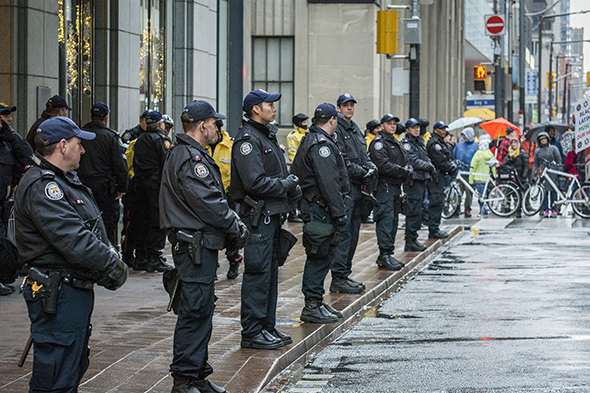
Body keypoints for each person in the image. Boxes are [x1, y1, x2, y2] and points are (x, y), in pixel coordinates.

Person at [15, 116, 128, 392]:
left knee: (69, 368)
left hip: (69, 292)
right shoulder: (45, 186)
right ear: (62, 146)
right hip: (58, 292)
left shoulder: (62, 181)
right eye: (79, 143)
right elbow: (74, 239)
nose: (83, 150)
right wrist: (112, 266)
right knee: (55, 377)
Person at [160, 100, 247, 393]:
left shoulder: (192, 154)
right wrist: (234, 225)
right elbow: (208, 203)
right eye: (214, 123)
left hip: (200, 245)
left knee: (201, 310)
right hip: (193, 246)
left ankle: (196, 376)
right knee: (195, 311)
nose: (217, 129)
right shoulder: (190, 158)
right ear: (202, 126)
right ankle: (184, 380)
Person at [230, 89, 300, 350]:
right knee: (258, 274)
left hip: (271, 216)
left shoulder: (264, 135)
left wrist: (290, 188)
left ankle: (266, 327)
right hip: (258, 217)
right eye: (269, 104)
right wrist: (285, 184)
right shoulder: (248, 140)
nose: (273, 107)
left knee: (269, 274)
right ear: (255, 109)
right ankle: (252, 331)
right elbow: (254, 182)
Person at [291, 103, 349, 324]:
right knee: (318, 254)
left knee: (323, 254)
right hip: (320, 208)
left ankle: (316, 299)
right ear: (332, 120)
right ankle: (312, 304)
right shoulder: (321, 144)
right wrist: (339, 211)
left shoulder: (315, 139)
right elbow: (329, 182)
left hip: (319, 207)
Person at [330, 93, 376, 294]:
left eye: (351, 105)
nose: (349, 108)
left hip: (358, 188)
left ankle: (345, 273)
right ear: (338, 108)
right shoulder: (337, 129)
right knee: (345, 233)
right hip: (346, 189)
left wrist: (370, 167)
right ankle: (338, 276)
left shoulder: (355, 128)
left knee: (355, 232)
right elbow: (343, 161)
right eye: (345, 105)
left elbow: (363, 154)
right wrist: (364, 172)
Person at [77, 102, 129, 246]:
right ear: (106, 118)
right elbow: (120, 166)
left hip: (81, 186)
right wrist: (122, 188)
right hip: (105, 189)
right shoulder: (111, 137)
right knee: (107, 223)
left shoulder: (80, 134)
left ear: (90, 116)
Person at [368, 113, 412, 270]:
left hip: (394, 186)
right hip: (384, 186)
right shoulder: (378, 143)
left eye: (394, 123)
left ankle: (388, 253)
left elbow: (404, 159)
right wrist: (402, 171)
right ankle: (384, 254)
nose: (392, 126)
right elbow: (382, 165)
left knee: (393, 220)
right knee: (385, 220)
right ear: (382, 126)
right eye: (389, 123)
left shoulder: (394, 141)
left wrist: (407, 168)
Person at [0, 105, 34, 296]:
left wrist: (10, 134)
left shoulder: (7, 143)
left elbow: (27, 154)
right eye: (4, 116)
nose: (9, 119)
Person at [132, 110, 172, 272]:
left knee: (142, 219)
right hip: (155, 185)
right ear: (160, 124)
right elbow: (167, 164)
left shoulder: (139, 139)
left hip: (140, 184)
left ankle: (141, 256)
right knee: (156, 220)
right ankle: (153, 256)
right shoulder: (161, 140)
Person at [205, 118, 243, 280]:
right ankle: (211, 267)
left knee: (230, 230)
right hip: (207, 196)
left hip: (228, 196)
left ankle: (233, 260)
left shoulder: (231, 146)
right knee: (210, 231)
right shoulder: (202, 146)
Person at [402, 118, 434, 251]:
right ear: (407, 130)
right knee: (413, 210)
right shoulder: (407, 144)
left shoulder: (419, 142)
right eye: (413, 127)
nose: (416, 129)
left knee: (418, 210)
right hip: (413, 181)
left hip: (421, 179)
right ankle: (410, 240)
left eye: (418, 127)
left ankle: (413, 238)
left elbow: (425, 157)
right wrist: (429, 167)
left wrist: (429, 165)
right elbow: (413, 161)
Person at [426, 121, 456, 239]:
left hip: (440, 177)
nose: (444, 131)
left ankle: (435, 227)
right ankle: (433, 229)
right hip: (435, 177)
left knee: (438, 202)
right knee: (436, 202)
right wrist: (450, 167)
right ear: (435, 130)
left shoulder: (440, 142)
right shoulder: (434, 143)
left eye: (445, 129)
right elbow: (441, 161)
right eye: (441, 129)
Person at [533, 131, 562, 218]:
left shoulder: (553, 148)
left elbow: (558, 160)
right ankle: (545, 209)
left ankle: (554, 209)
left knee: (553, 192)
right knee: (544, 192)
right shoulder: (537, 151)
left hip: (552, 171)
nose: (543, 141)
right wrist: (534, 173)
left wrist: (559, 170)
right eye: (541, 139)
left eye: (545, 139)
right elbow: (535, 163)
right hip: (542, 173)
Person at [286, 113, 308, 223]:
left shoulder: (306, 134)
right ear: (299, 123)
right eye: (304, 122)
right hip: (297, 168)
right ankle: (292, 214)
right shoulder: (292, 136)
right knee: (294, 192)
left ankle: (302, 212)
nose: (306, 124)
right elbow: (292, 153)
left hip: (305, 168)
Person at [453, 127, 478, 217]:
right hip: (459, 172)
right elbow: (454, 155)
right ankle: (456, 208)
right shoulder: (459, 145)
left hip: (470, 173)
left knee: (469, 192)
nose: (463, 136)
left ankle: (467, 209)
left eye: (465, 134)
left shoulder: (476, 146)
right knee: (458, 192)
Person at [469, 140, 496, 217]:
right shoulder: (490, 154)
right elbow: (493, 166)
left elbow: (473, 167)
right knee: (486, 195)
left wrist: (471, 179)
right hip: (487, 178)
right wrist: (494, 176)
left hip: (478, 178)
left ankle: (481, 211)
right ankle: (486, 210)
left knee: (481, 196)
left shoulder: (477, 154)